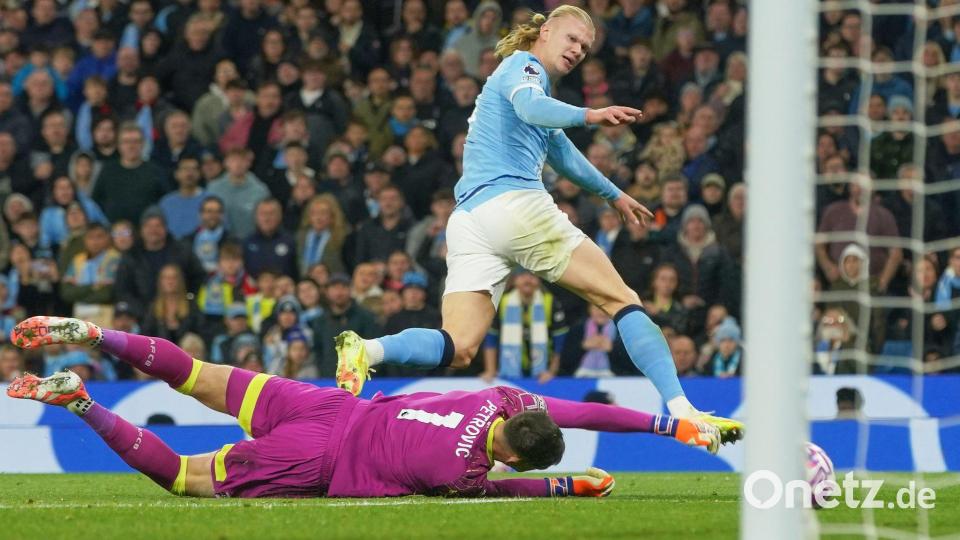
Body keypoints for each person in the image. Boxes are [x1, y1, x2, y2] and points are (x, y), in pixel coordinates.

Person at [334, 6, 743, 443]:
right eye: (571, 39)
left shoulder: (527, 86)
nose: (578, 51)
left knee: (459, 345)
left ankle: (366, 349)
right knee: (622, 300)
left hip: (470, 221)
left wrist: (614, 194)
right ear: (545, 32)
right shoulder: (523, 67)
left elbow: (561, 151)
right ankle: (686, 412)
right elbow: (533, 108)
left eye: (585, 48)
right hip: (514, 206)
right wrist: (592, 114)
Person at [7, 315, 721, 499]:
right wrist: (568, 486)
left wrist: (669, 423)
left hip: (327, 405)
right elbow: (523, 482)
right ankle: (80, 404)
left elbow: (582, 412)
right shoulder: (463, 475)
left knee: (194, 373)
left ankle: (99, 335)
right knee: (183, 478)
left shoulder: (500, 398)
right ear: (506, 449)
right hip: (320, 457)